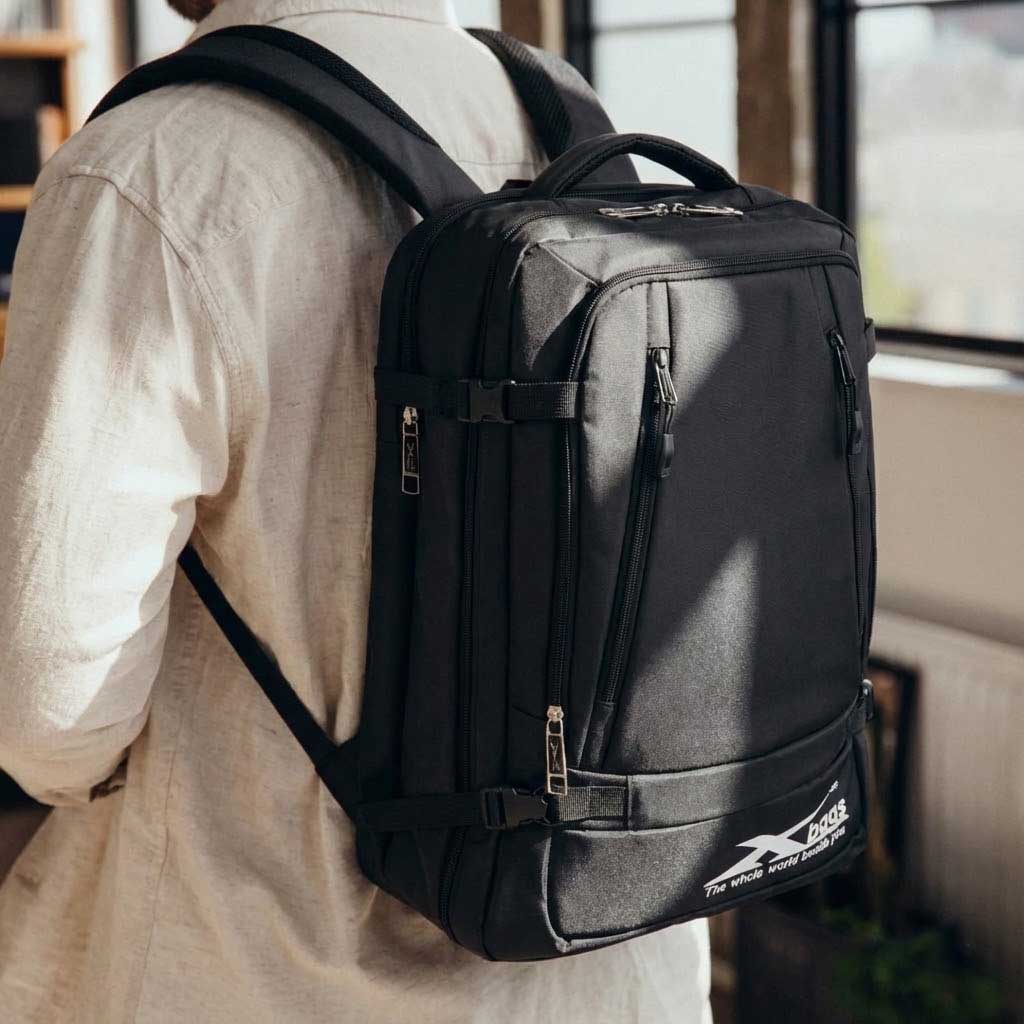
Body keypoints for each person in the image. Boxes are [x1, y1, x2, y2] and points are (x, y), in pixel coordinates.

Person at [0, 2, 712, 1021]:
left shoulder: (151, 164)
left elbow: (48, 709)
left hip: (265, 967)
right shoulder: (568, 119)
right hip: (616, 951)